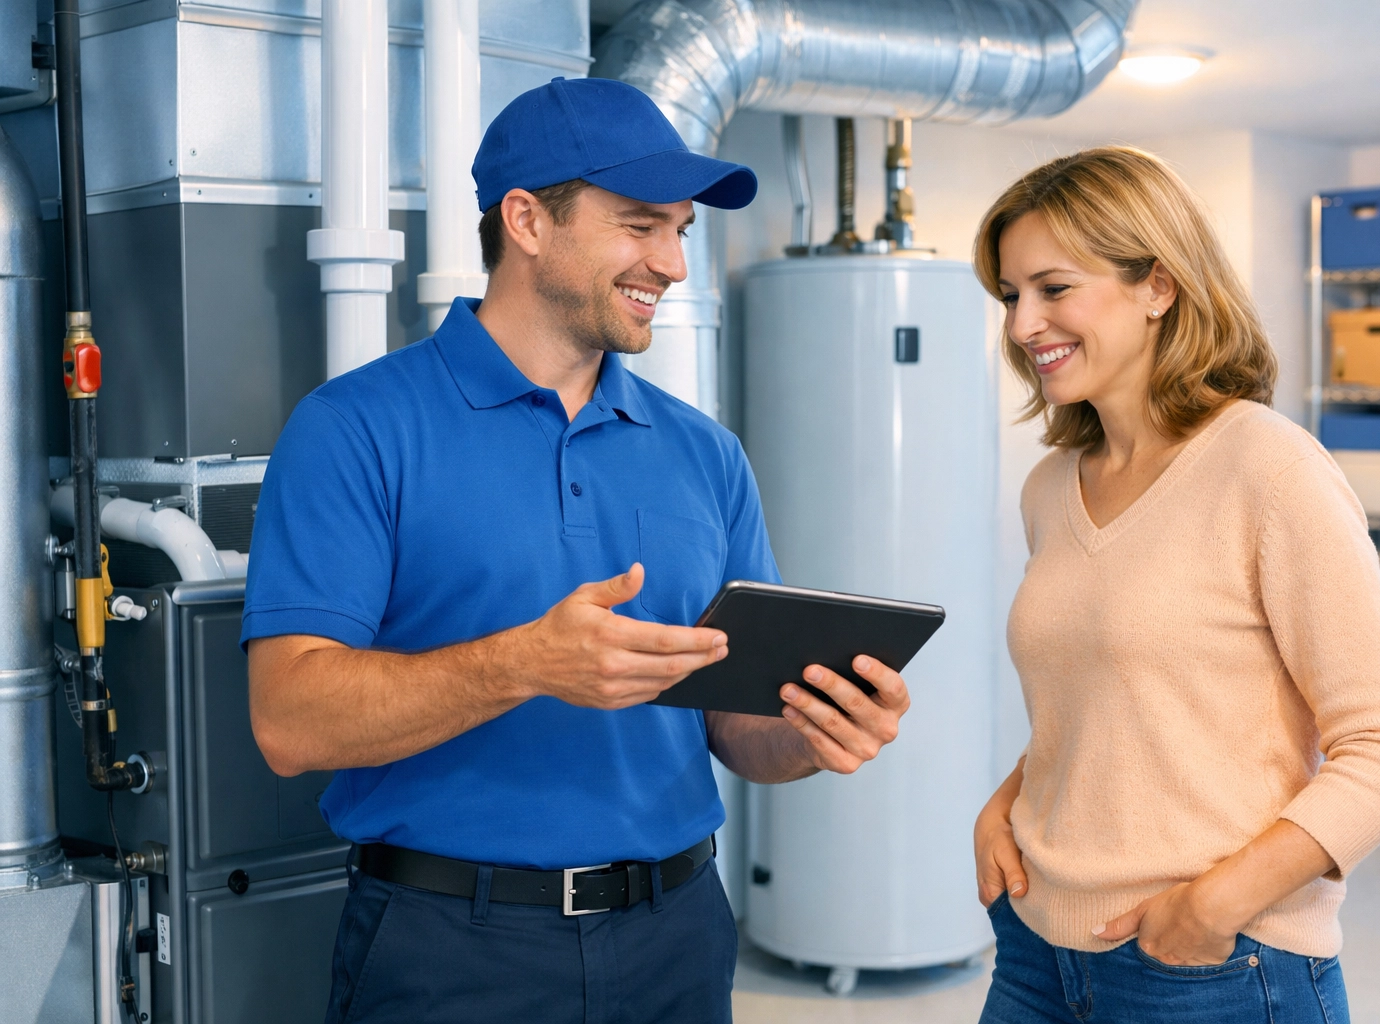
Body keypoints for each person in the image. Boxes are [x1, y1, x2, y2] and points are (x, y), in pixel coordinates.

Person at [243, 77, 910, 1024]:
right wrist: (526, 663)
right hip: (451, 951)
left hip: (677, 939)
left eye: (680, 231)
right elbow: (290, 722)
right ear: (526, 220)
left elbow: (734, 727)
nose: (673, 264)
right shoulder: (354, 429)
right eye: (641, 226)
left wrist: (811, 731)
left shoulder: (704, 454)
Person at [969, 147, 1380, 1024]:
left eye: (1053, 288)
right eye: (1010, 295)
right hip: (1035, 956)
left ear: (1159, 285)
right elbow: (1108, 707)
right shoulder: (1052, 485)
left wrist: (1211, 908)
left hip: (1212, 969)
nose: (1025, 324)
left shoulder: (1267, 465)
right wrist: (1004, 806)